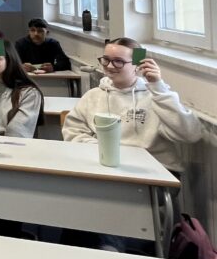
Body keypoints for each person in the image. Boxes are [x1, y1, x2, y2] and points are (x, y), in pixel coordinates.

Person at [62, 38, 201, 173]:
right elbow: (74, 130)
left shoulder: (158, 97)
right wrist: (100, 148)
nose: (109, 66)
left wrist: (158, 86)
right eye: (106, 59)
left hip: (152, 171)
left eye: (118, 61)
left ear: (137, 65)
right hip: (105, 166)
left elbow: (190, 134)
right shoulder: (93, 96)